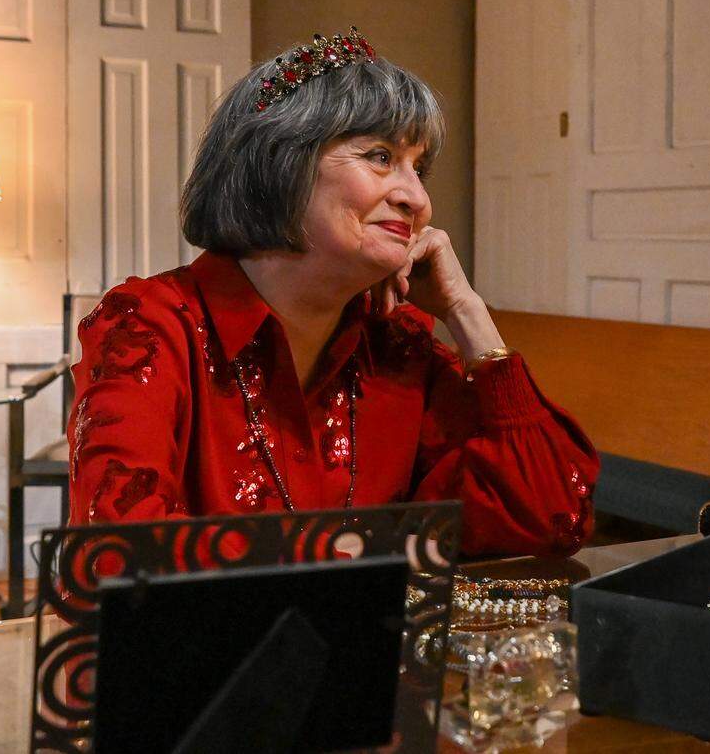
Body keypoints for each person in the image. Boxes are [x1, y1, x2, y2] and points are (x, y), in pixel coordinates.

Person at [67, 28, 598, 557]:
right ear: (281, 164)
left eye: (421, 168)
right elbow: (115, 563)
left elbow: (551, 517)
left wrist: (467, 312)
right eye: (381, 157)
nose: (417, 197)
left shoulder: (396, 345)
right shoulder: (151, 325)